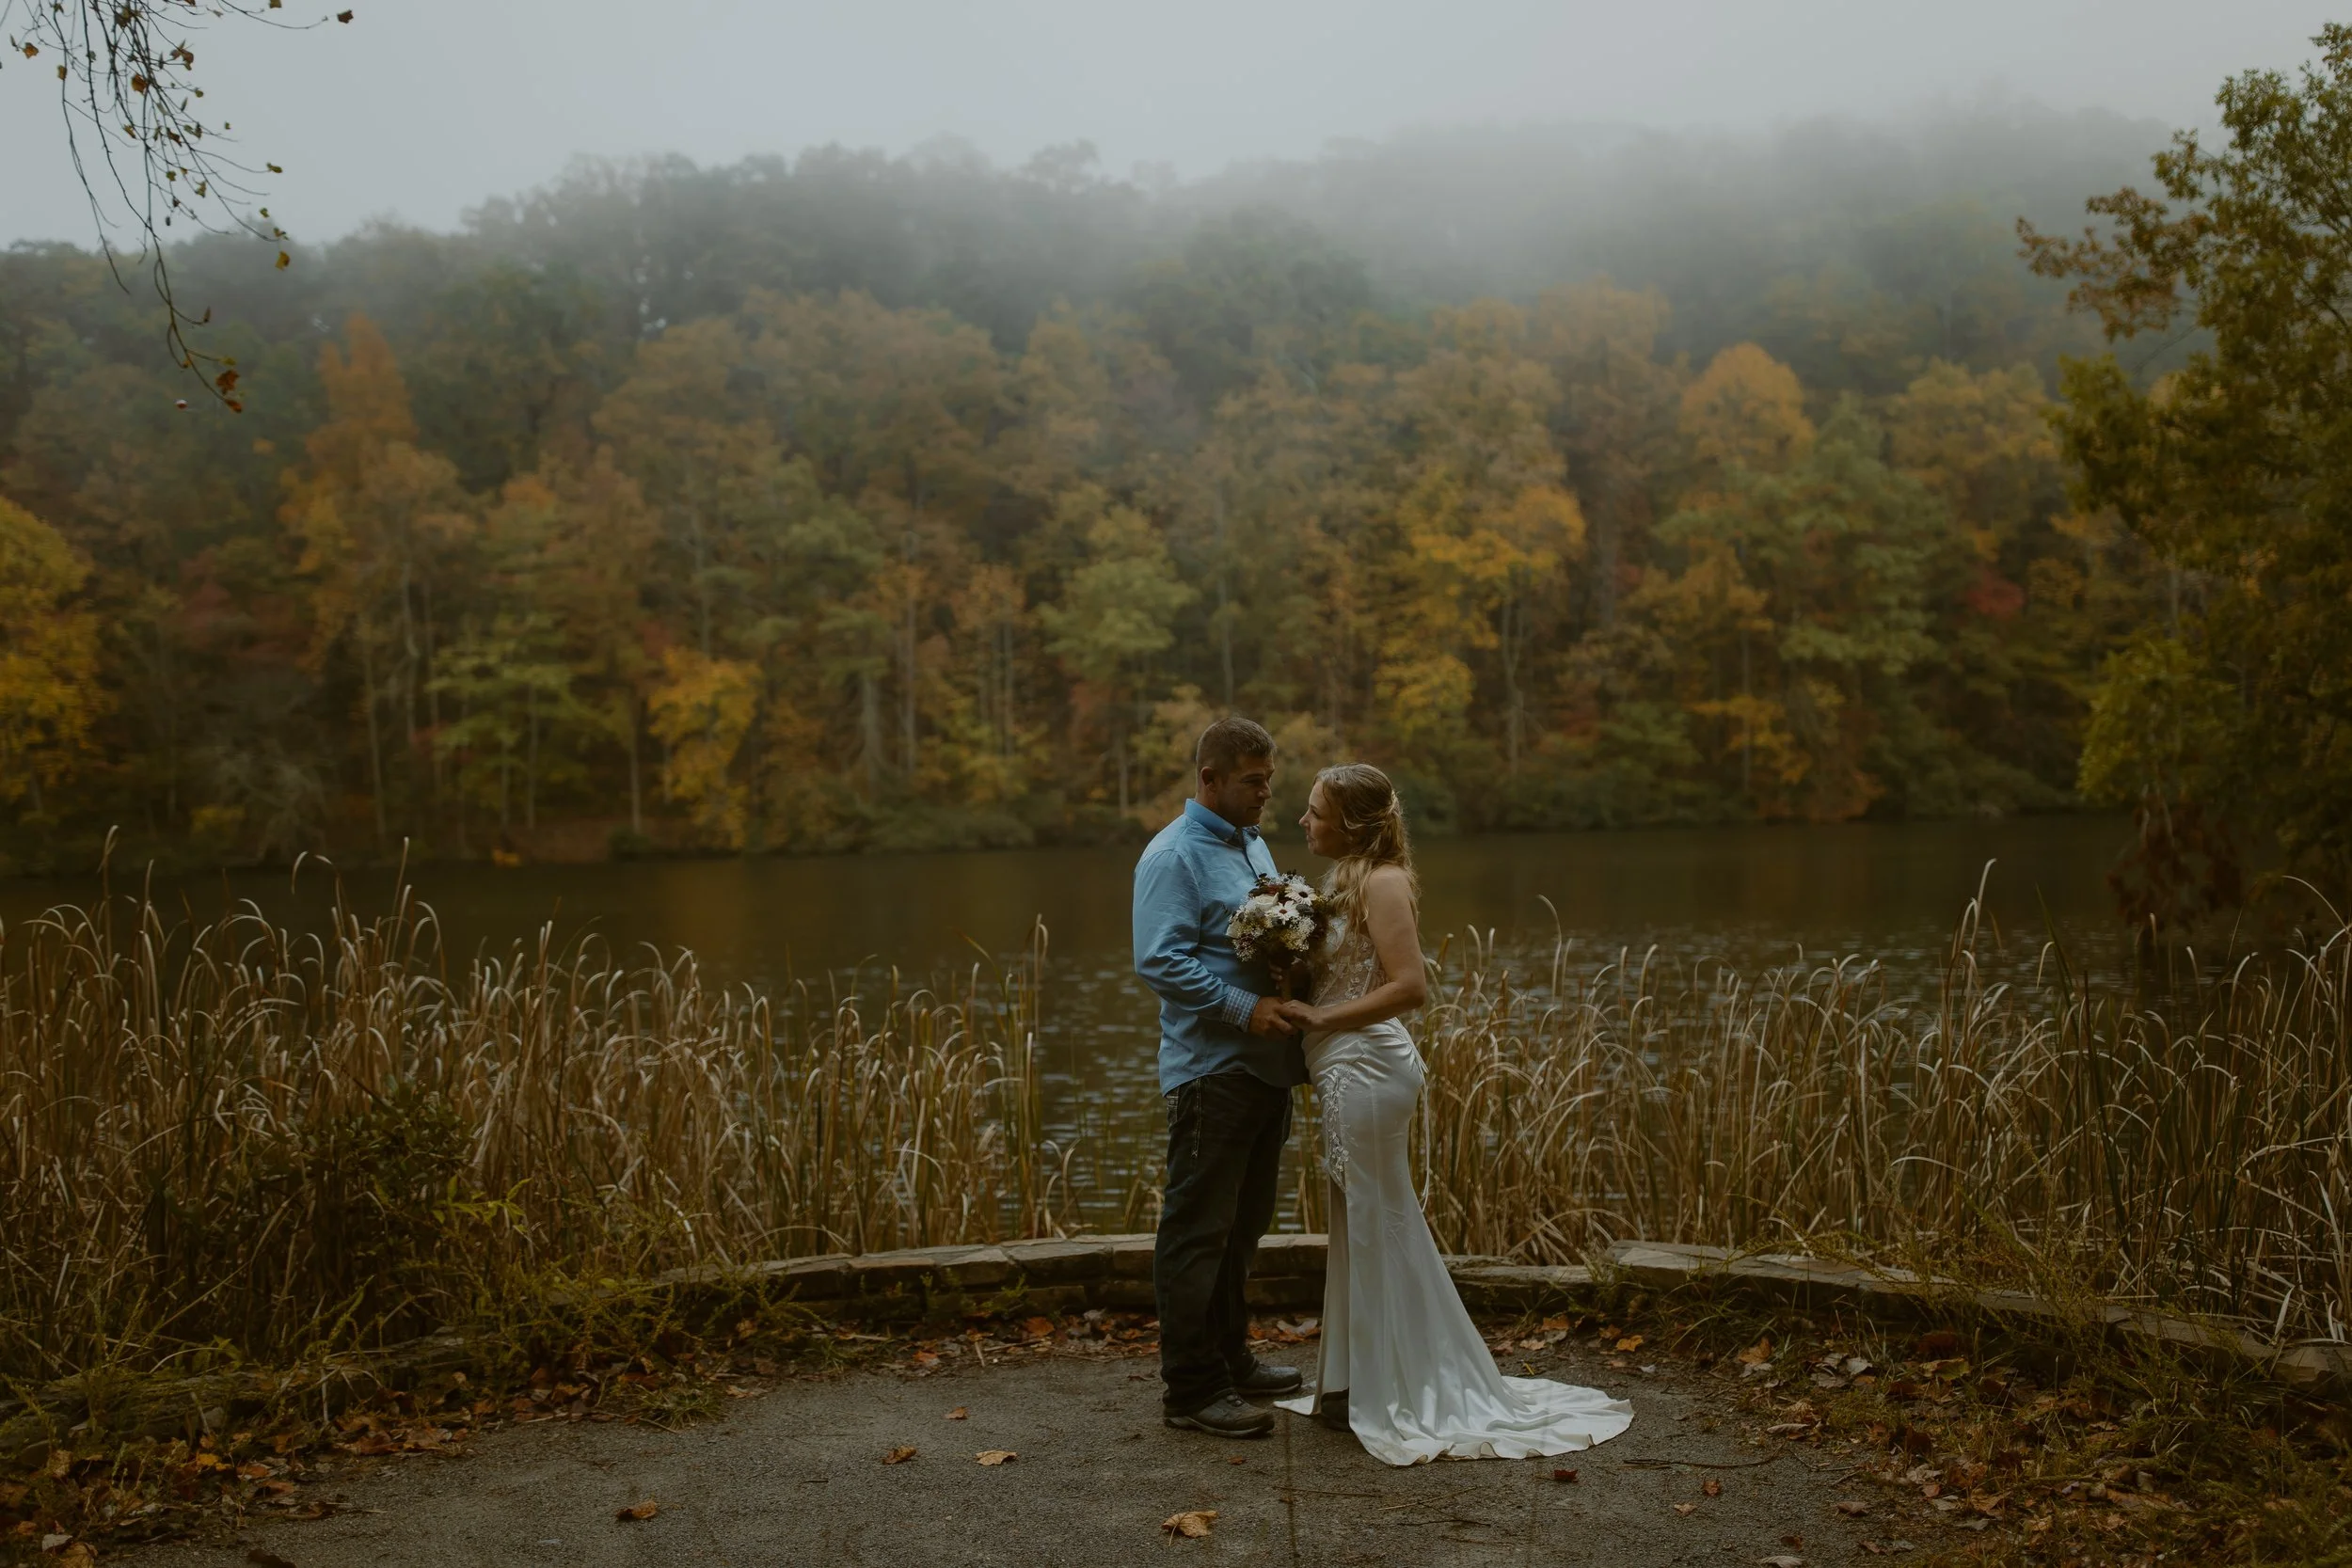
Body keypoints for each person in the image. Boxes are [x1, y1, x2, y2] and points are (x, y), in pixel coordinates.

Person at [1274, 763, 1634, 1465]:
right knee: (1358, 1219)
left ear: (1351, 823)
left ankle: (1398, 1387)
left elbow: (1411, 988)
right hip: (1340, 1065)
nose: (1303, 821)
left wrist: (1321, 1014)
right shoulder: (1341, 881)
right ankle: (1356, 1379)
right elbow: (1353, 969)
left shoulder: (1381, 882)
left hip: (1370, 1066)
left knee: (1379, 1219)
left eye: (1314, 811)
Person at [1132, 716, 1307, 1439]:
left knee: (1242, 1228)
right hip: (1212, 1072)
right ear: (1209, 779)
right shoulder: (1172, 857)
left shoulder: (1251, 840)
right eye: (1252, 780)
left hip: (1267, 1071)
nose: (1266, 792)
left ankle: (1232, 1358)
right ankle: (1192, 1388)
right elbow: (1160, 961)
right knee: (1197, 1231)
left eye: (1268, 779)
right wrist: (1246, 1005)